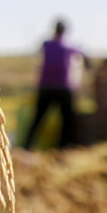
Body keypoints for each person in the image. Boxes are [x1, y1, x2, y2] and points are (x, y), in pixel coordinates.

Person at [22, 20, 84, 149]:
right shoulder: (69, 48)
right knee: (67, 119)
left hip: (46, 86)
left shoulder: (47, 44)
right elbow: (82, 61)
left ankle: (27, 145)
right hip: (63, 87)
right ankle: (63, 146)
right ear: (64, 31)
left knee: (39, 117)